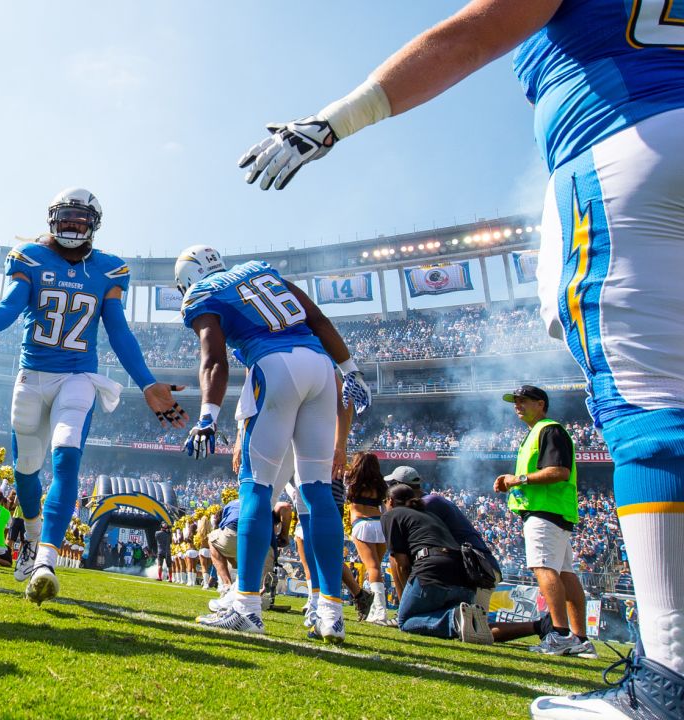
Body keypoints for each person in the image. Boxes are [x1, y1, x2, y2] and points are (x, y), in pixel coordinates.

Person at [237, 1, 684, 711]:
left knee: (653, 414)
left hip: (631, 141)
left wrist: (332, 122)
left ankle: (668, 683)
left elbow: (473, 33)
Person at [0, 188, 187, 603]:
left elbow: (117, 330)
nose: (72, 226)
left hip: (79, 377)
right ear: (52, 220)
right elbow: (9, 308)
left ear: (93, 224)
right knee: (26, 468)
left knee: (65, 459)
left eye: (80, 219)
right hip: (32, 375)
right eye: (65, 218)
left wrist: (147, 381)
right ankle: (31, 534)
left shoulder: (110, 270)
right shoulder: (30, 257)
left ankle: (45, 560)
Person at [176, 244, 369, 643]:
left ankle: (246, 605)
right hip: (320, 367)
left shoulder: (201, 295)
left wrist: (207, 417)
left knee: (256, 490)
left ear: (186, 282)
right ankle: (331, 613)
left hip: (274, 367)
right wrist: (350, 369)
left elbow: (214, 360)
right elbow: (316, 317)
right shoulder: (260, 270)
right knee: (317, 494)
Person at [494, 386, 594, 658]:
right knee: (564, 573)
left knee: (543, 568)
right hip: (552, 511)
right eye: (515, 401)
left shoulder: (549, 430)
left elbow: (559, 471)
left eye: (523, 401)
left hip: (544, 511)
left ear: (541, 404)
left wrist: (519, 479)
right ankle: (580, 639)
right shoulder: (538, 432)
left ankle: (560, 634)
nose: (517, 405)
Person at [382, 483, 493, 645]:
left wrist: (406, 594)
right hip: (465, 579)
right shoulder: (430, 515)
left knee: (405, 621)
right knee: (432, 613)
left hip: (433, 570)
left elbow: (401, 563)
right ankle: (464, 618)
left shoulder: (391, 515)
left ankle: (454, 618)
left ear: (390, 501)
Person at [385, 465, 501, 613]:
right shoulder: (431, 500)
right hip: (472, 567)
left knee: (476, 627)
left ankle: (536, 626)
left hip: (477, 569)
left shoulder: (427, 505)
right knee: (467, 627)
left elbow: (404, 556)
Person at [346, 453, 390, 624]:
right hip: (380, 524)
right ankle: (374, 609)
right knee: (375, 568)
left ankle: (380, 611)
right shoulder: (379, 485)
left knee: (372, 568)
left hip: (362, 524)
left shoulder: (351, 481)